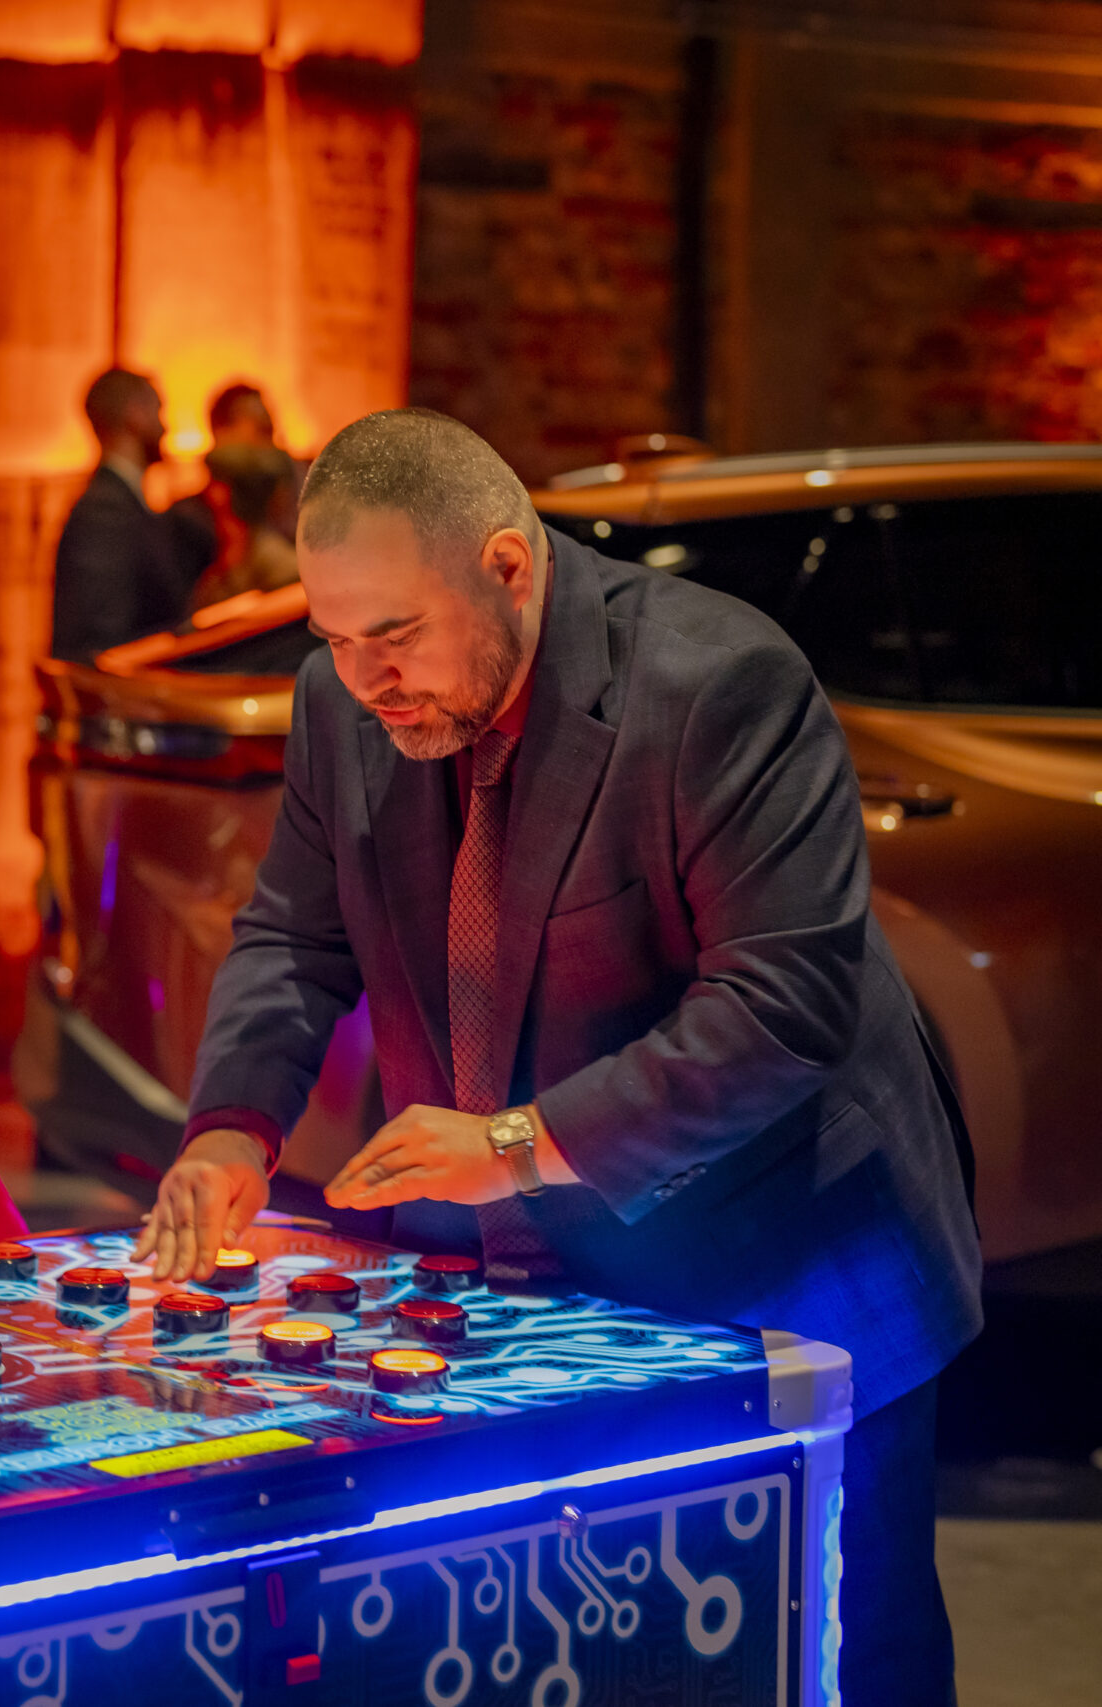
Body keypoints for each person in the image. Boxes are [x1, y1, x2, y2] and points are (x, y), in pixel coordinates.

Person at [141, 407, 979, 1707]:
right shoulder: (340, 703)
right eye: (335, 639)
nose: (366, 681)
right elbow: (295, 937)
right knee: (571, 1651)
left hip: (785, 1249)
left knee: (829, 1653)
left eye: (395, 635)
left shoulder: (717, 683)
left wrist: (518, 1143)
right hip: (523, 1283)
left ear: (508, 566)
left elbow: (784, 1003)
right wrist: (228, 1129)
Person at [48, 368, 209, 663]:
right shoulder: (105, 510)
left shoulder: (123, 502)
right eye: (158, 411)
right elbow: (102, 637)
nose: (166, 427)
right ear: (135, 414)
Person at [172, 383, 301, 611]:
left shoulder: (289, 514)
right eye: (261, 429)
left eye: (269, 429)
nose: (270, 444)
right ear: (222, 433)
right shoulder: (186, 523)